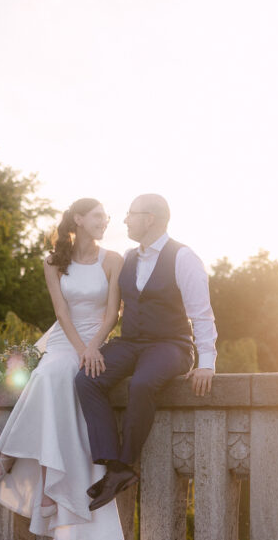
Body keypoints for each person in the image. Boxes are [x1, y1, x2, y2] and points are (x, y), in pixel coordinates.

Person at [0, 198, 127, 540]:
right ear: (79, 219)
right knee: (48, 375)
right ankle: (24, 466)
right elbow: (61, 311)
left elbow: (113, 312)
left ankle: (28, 470)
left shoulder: (113, 259)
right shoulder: (53, 262)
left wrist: (92, 348)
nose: (104, 221)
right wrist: (79, 349)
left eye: (106, 217)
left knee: (59, 378)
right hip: (65, 339)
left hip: (96, 338)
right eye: (98, 216)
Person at [76, 193, 217, 511]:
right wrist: (92, 345)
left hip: (171, 344)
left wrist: (207, 362)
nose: (125, 220)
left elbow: (202, 314)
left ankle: (124, 465)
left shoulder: (183, 257)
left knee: (141, 384)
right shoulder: (128, 257)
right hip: (130, 343)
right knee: (86, 379)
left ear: (149, 219)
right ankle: (111, 461)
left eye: (131, 214)